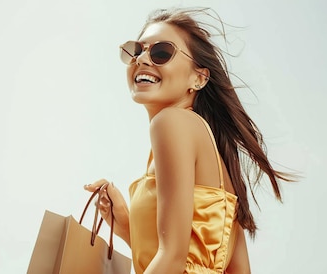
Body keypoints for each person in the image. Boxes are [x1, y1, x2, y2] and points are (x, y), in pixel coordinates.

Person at [84, 7, 296, 274]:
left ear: (199, 77)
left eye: (162, 52)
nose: (143, 59)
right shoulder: (219, 159)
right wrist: (127, 227)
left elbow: (173, 258)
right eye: (135, 50)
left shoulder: (170, 122)